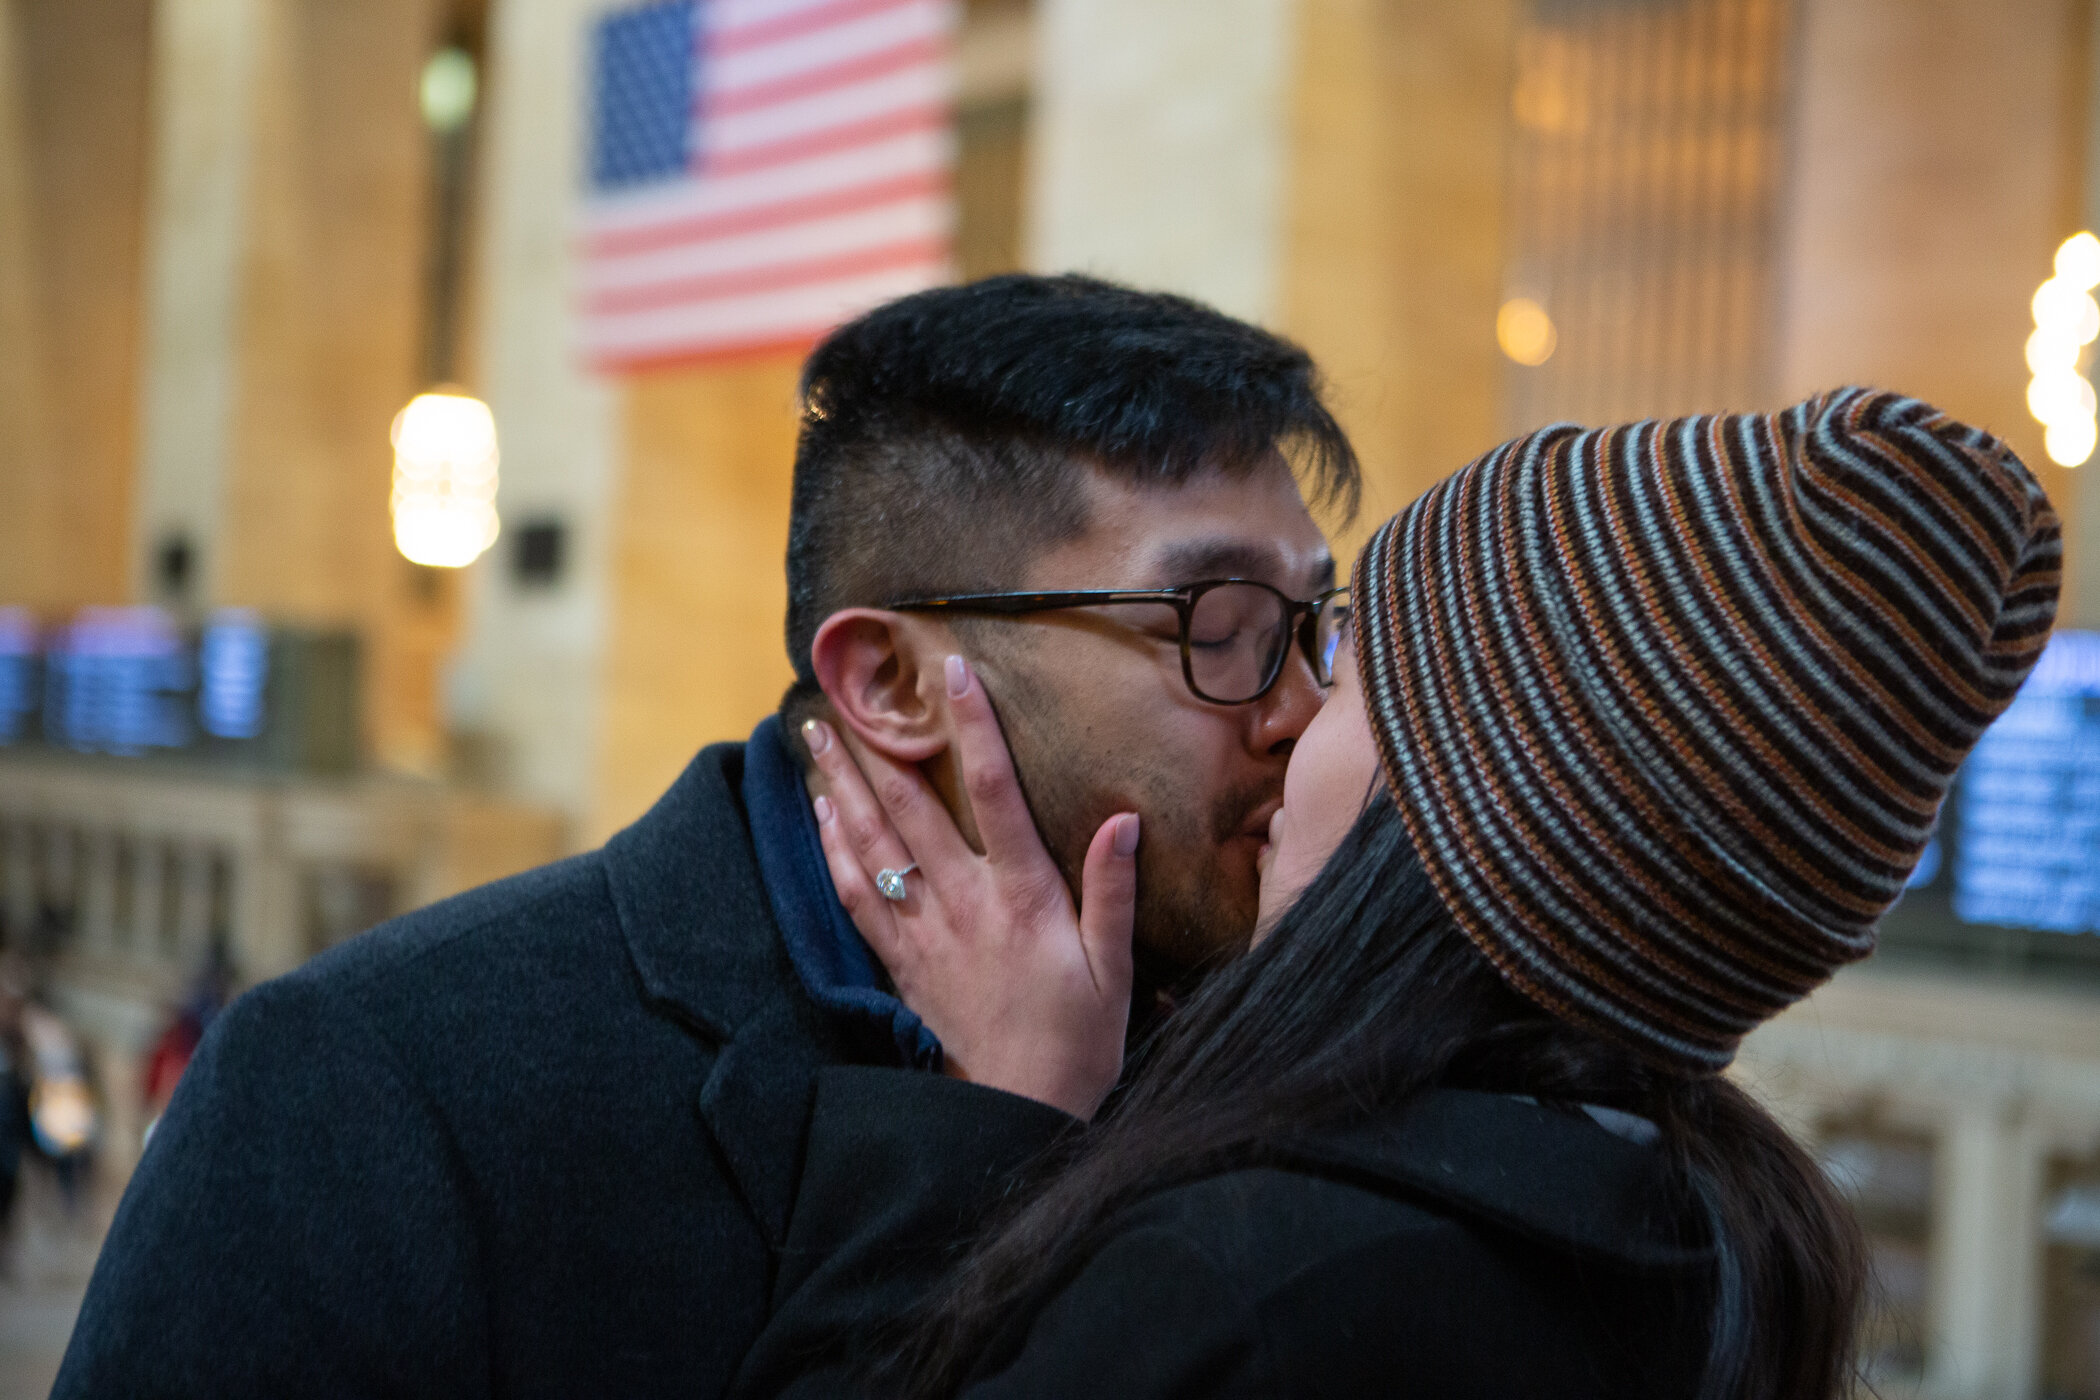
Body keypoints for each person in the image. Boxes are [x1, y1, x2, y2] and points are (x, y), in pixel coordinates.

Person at [54, 275, 1359, 1398]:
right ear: (893, 684)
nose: (1304, 706)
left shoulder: (1262, 1048)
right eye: (1221, 626)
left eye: (1315, 623)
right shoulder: (368, 1090)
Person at [736, 387, 2063, 1398]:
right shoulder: (1723, 1241)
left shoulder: (1251, 1288)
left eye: (1350, 666)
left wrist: (988, 1135)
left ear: (1462, 813)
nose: (1290, 711)